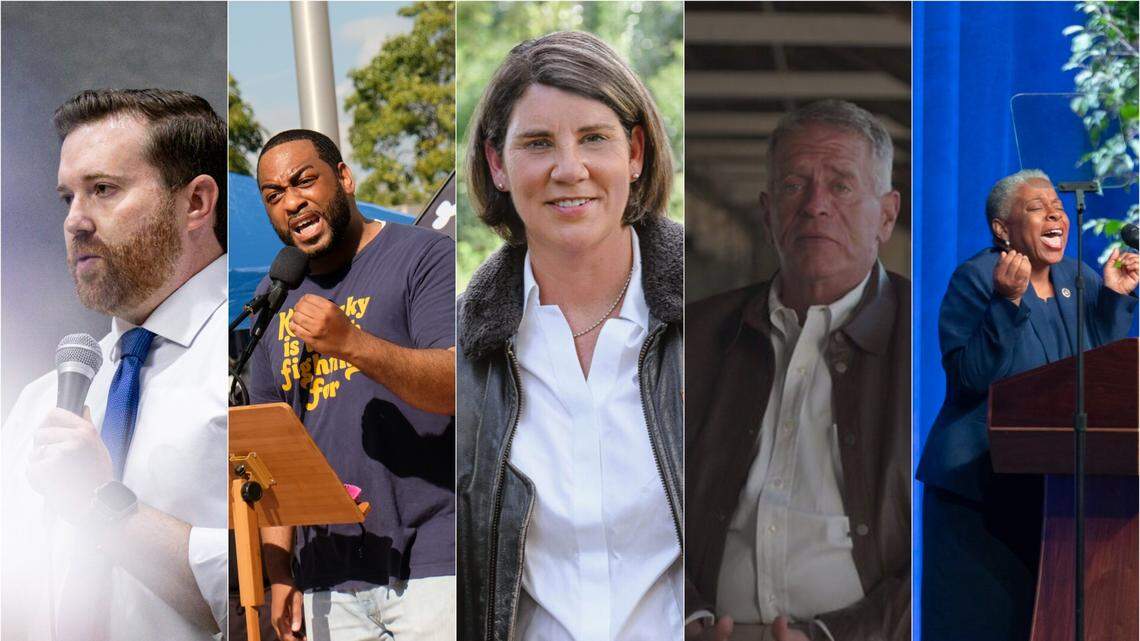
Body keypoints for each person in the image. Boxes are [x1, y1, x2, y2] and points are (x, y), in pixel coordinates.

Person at [456, 31, 683, 641]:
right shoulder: (458, 352)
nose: (569, 169)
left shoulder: (720, 318)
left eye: (594, 138)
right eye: (537, 143)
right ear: (497, 164)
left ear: (635, 153)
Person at [1, 89, 229, 640]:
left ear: (196, 202)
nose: (75, 221)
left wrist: (103, 506)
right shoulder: (40, 402)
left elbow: (288, 591)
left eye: (103, 190)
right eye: (68, 198)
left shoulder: (263, 356)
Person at [686, 100, 910, 641]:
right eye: (793, 186)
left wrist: (837, 636)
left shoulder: (932, 339)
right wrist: (687, 619)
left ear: (885, 215)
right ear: (767, 213)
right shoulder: (695, 337)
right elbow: (637, 501)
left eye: (841, 186)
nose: (815, 206)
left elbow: (960, 540)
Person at [249, 128, 456, 641]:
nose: (292, 203)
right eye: (274, 196)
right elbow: (270, 453)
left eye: (303, 182)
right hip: (326, 575)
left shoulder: (424, 256)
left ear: (343, 178)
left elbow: (459, 385)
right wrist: (279, 575)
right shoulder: (274, 296)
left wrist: (351, 343)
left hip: (433, 560)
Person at [916, 169, 1138, 641]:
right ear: (1002, 229)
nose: (1055, 212)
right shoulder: (976, 278)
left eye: (1056, 205)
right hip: (981, 491)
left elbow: (1097, 377)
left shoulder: (1078, 278)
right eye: (1038, 208)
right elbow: (970, 379)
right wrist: (1007, 302)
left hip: (1055, 490)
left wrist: (1114, 300)